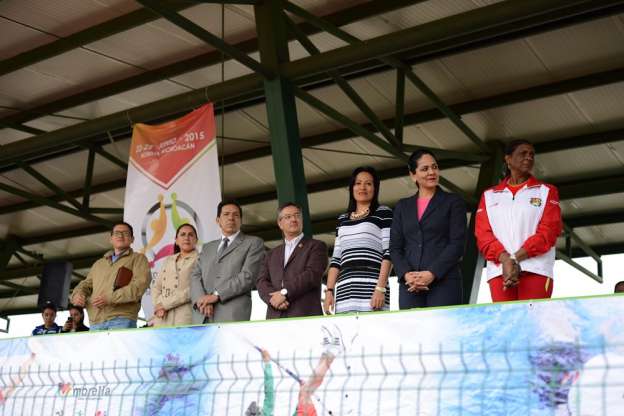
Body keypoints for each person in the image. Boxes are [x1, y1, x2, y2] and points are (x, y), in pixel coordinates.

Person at [475, 139, 562, 302]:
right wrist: (505, 260)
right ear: (508, 159)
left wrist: (514, 259)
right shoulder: (489, 195)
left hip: (536, 269)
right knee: (507, 325)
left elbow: (549, 232)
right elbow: (483, 235)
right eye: (523, 153)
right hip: (500, 271)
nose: (529, 157)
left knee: (534, 323)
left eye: (531, 155)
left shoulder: (547, 191)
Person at [390, 150, 467, 308]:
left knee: (443, 331)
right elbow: (395, 247)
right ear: (413, 175)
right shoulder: (402, 206)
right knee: (412, 331)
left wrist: (432, 273)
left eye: (435, 167)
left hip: (444, 283)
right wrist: (406, 274)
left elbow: (457, 244)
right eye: (425, 169)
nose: (432, 172)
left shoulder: (453, 202)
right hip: (410, 285)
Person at [324, 166, 392, 314]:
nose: (362, 187)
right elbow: (336, 260)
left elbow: (389, 252)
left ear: (375, 188)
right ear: (351, 187)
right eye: (358, 183)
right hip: (344, 291)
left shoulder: (383, 213)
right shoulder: (342, 219)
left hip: (373, 289)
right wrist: (329, 291)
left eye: (368, 183)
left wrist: (380, 288)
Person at [190, 200, 265, 323]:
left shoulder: (253, 243)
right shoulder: (207, 247)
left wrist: (215, 295)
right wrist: (202, 299)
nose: (231, 218)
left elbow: (247, 276)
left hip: (232, 314)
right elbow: (195, 275)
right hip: (203, 314)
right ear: (217, 220)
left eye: (236, 215)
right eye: (226, 214)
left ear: (241, 220)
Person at [71, 222, 151, 330]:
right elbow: (85, 284)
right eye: (117, 233)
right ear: (111, 239)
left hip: (121, 318)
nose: (121, 236)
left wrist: (110, 297)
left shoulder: (138, 259)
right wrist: (77, 294)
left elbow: (139, 286)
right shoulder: (99, 263)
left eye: (125, 233)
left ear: (132, 239)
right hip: (95, 321)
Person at [256, 202, 328, 319]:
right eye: (288, 217)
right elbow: (261, 281)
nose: (294, 219)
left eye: (297, 215)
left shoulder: (316, 246)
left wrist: (284, 293)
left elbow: (312, 275)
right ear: (280, 223)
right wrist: (272, 299)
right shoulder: (271, 254)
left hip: (305, 315)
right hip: (275, 316)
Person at [151, 223, 199, 327]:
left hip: (185, 317)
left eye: (190, 235)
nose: (186, 237)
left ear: (196, 240)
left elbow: (194, 289)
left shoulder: (200, 260)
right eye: (183, 234)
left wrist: (165, 304)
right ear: (176, 240)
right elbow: (156, 287)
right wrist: (158, 305)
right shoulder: (168, 260)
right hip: (162, 318)